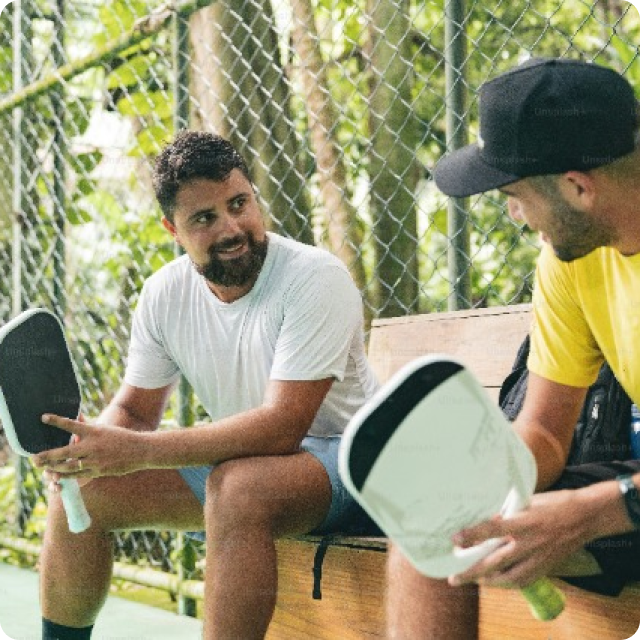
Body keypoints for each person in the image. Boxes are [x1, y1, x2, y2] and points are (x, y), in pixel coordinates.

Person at [33, 131, 379, 640]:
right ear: (173, 229)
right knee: (79, 494)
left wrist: (140, 451)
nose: (232, 227)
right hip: (248, 467)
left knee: (238, 488)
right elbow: (134, 409)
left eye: (239, 204)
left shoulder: (315, 278)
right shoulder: (164, 293)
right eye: (205, 218)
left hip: (356, 465)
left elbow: (284, 427)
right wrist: (92, 449)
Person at [386, 57, 640, 639]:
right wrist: (471, 483)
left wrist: (591, 512)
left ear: (578, 187)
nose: (515, 215)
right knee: (436, 529)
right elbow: (546, 433)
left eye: (516, 195)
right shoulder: (570, 259)